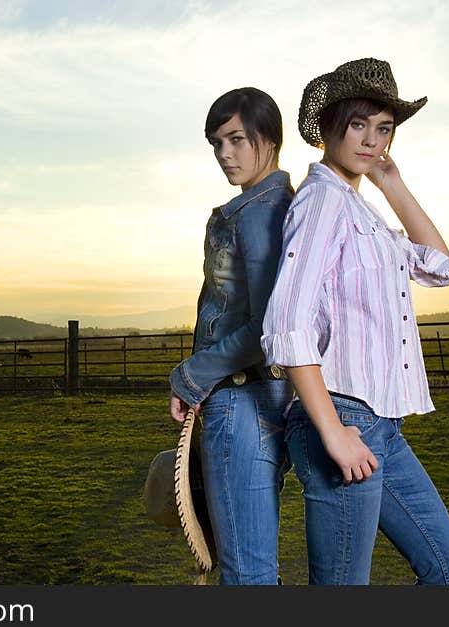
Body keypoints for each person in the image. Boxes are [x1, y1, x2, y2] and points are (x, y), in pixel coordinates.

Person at [260, 58, 449, 585]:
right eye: (360, 125)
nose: (371, 140)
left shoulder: (361, 212)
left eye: (384, 129)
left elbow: (441, 268)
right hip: (343, 418)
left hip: (381, 426)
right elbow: (287, 324)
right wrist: (332, 432)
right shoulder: (321, 202)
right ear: (330, 126)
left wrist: (391, 181)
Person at [169, 87, 294, 585]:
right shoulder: (262, 205)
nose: (225, 154)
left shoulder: (261, 211)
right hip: (264, 399)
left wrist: (190, 376)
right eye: (217, 143)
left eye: (237, 139)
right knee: (253, 563)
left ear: (270, 138)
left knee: (245, 572)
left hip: (242, 399)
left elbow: (267, 328)